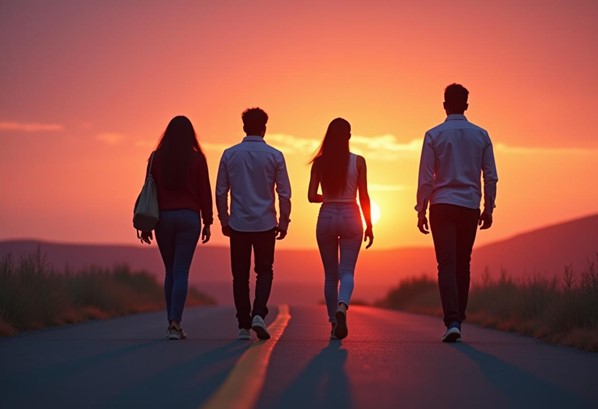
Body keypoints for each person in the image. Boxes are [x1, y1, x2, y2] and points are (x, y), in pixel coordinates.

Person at [415, 83, 498, 342]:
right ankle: (458, 318)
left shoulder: (433, 135)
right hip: (469, 206)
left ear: (444, 105)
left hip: (441, 205)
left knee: (447, 265)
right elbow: (491, 177)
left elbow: (426, 178)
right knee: (464, 263)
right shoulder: (482, 135)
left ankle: (452, 320)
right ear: (466, 106)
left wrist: (421, 209)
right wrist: (489, 207)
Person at [215, 107, 291, 340]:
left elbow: (220, 191)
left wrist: (224, 219)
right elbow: (284, 193)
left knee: (240, 275)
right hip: (266, 223)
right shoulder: (275, 155)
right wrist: (284, 221)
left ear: (244, 127)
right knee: (264, 271)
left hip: (238, 223)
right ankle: (259, 313)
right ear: (264, 128)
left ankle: (242, 325)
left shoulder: (229, 154)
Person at [139, 115, 213, 340]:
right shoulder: (198, 159)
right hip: (189, 218)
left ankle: (170, 323)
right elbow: (204, 193)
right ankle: (175, 324)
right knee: (181, 271)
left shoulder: (156, 158)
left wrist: (145, 226)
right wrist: (208, 222)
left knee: (170, 271)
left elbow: (148, 192)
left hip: (163, 219)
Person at [308, 118, 374, 340]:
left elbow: (310, 196)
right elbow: (363, 195)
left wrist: (328, 197)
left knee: (330, 275)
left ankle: (333, 323)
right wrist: (370, 224)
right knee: (347, 271)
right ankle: (342, 306)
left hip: (326, 214)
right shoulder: (359, 161)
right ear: (349, 136)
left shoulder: (319, 163)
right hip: (351, 214)